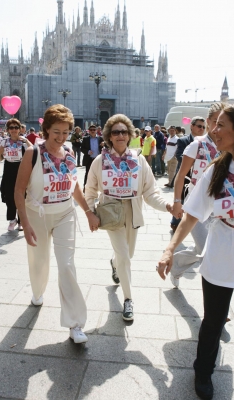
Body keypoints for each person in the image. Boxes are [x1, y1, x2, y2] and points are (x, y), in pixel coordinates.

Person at [157, 103, 234, 400]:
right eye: (213, 126)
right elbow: (191, 215)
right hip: (223, 251)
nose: (213, 131)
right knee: (214, 320)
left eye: (220, 126)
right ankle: (203, 372)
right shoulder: (218, 169)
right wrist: (169, 250)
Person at [14, 104, 100, 344]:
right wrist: (25, 223)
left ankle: (75, 323)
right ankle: (38, 292)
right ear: (46, 130)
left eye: (66, 132)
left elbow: (74, 186)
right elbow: (19, 191)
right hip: (37, 215)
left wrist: (87, 212)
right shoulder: (33, 153)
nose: (61, 137)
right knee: (39, 262)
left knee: (67, 266)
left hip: (64, 214)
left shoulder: (70, 152)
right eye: (56, 132)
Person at [85, 114, 172, 321]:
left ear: (131, 134)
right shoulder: (100, 161)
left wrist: (167, 205)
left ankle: (114, 263)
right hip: (111, 214)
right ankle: (128, 299)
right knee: (125, 256)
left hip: (133, 214)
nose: (121, 135)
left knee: (126, 255)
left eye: (124, 131)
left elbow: (151, 192)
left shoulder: (139, 159)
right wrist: (90, 213)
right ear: (109, 136)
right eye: (116, 132)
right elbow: (89, 192)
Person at [170, 103, 223, 287]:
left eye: (222, 123)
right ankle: (214, 310)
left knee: (207, 250)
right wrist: (177, 201)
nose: (218, 127)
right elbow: (180, 176)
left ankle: (177, 265)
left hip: (220, 209)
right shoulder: (197, 145)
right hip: (197, 208)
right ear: (208, 121)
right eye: (215, 121)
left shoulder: (228, 147)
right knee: (206, 254)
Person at [170, 116, 206, 232]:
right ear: (192, 126)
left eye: (204, 127)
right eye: (199, 126)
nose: (202, 129)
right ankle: (175, 222)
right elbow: (179, 156)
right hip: (185, 178)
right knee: (180, 201)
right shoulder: (183, 140)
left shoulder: (206, 143)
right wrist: (194, 159)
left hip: (200, 180)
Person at [0, 118, 32, 231]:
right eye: (11, 128)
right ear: (8, 130)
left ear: (20, 129)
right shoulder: (5, 141)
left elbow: (33, 150)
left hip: (21, 168)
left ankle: (21, 221)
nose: (14, 130)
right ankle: (12, 219)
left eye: (16, 127)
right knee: (9, 195)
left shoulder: (23, 141)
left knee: (22, 195)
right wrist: (3, 156)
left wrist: (26, 141)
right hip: (8, 168)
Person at [81, 124, 104, 191]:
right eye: (91, 130)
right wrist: (87, 151)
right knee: (88, 174)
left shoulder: (100, 138)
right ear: (89, 131)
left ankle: (99, 189)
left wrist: (104, 144)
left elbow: (107, 146)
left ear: (96, 130)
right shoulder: (85, 139)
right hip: (89, 159)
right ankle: (85, 189)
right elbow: (82, 148)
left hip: (98, 160)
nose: (93, 131)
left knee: (99, 175)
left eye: (94, 130)